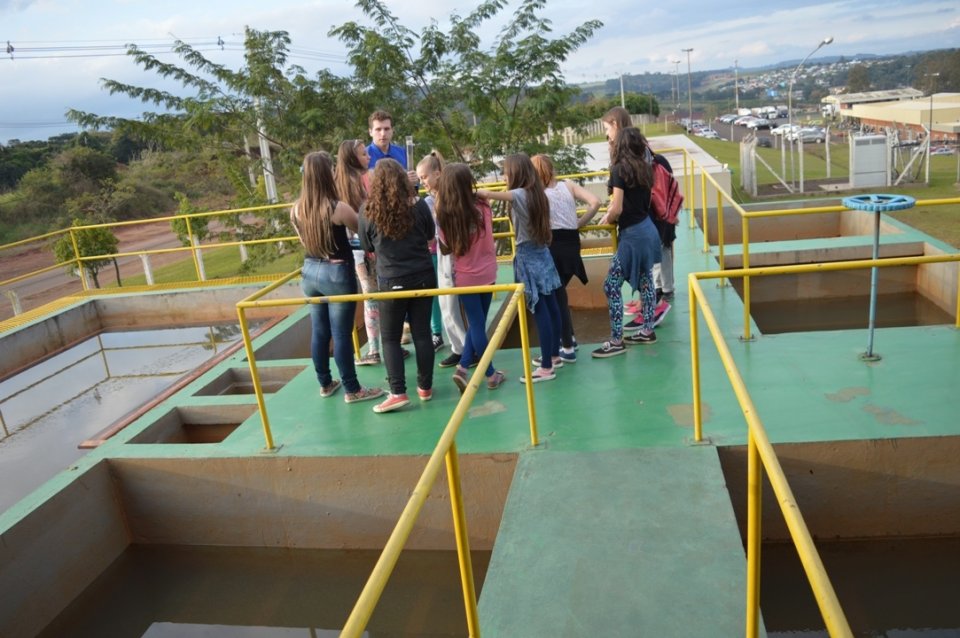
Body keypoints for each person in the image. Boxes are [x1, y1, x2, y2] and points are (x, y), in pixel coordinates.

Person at [290, 151, 383, 403]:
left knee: (319, 331)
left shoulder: (296, 209)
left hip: (309, 272)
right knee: (341, 333)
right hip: (337, 272)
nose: (334, 172)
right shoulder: (336, 207)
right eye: (331, 168)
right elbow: (362, 231)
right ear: (324, 174)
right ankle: (352, 389)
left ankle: (325, 383)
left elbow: (303, 240)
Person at [359, 158, 437, 413]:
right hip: (424, 276)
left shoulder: (368, 211)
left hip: (391, 281)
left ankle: (397, 392)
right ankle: (425, 388)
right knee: (422, 333)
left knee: (391, 339)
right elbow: (429, 235)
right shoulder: (421, 206)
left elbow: (367, 247)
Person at [478, 154, 562, 383]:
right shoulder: (538, 193)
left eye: (506, 172)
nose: (504, 177)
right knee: (551, 305)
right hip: (543, 253)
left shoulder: (518, 194)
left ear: (515, 174)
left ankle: (546, 368)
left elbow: (487, 194)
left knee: (541, 310)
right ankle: (554, 355)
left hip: (528, 254)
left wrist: (469, 190)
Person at [435, 163, 506, 392]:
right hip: (488, 273)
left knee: (476, 325)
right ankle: (490, 373)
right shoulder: (482, 205)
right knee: (478, 325)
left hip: (464, 278)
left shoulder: (444, 215)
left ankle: (463, 367)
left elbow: (445, 248)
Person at [592, 127, 662, 358]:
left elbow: (618, 206)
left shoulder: (619, 169)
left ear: (619, 145)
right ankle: (647, 330)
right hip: (648, 230)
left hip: (632, 235)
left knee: (611, 285)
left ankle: (616, 339)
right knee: (645, 280)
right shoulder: (644, 167)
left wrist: (607, 217)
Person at [601, 106, 673, 326]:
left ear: (615, 124)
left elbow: (621, 201)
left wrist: (611, 214)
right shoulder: (638, 153)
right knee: (644, 274)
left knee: (614, 282)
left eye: (607, 129)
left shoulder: (627, 160)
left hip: (637, 222)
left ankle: (645, 315)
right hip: (643, 220)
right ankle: (647, 317)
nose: (606, 135)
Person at [531, 154, 600, 365]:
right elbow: (595, 202)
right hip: (572, 244)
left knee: (556, 297)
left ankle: (567, 348)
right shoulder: (568, 185)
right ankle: (568, 338)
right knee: (560, 294)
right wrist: (577, 223)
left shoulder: (539, 194)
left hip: (553, 246)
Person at [416, 151, 469, 362]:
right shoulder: (430, 200)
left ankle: (466, 348)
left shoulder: (449, 196)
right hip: (441, 251)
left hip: (453, 253)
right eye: (420, 179)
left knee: (455, 303)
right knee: (446, 303)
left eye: (424, 177)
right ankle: (458, 347)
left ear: (437, 174)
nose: (422, 182)